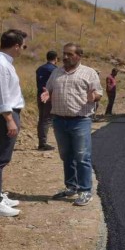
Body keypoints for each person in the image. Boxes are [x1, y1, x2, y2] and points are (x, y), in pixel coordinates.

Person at [40, 43, 103, 206]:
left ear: (79, 56)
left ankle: (85, 190)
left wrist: (94, 97)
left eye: (69, 54)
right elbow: (49, 89)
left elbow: (99, 93)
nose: (65, 57)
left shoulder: (89, 73)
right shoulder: (56, 72)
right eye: (64, 54)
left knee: (82, 156)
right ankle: (71, 187)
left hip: (80, 120)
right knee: (66, 156)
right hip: (59, 121)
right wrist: (47, 94)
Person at [0, 29, 27, 217]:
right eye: (23, 46)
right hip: (4, 115)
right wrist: (9, 119)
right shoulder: (0, 64)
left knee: (2, 157)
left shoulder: (4, 62)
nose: (23, 50)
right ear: (16, 46)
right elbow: (1, 95)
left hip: (5, 113)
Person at [35, 51, 58, 151]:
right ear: (56, 58)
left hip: (40, 94)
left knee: (42, 118)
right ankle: (43, 144)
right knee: (47, 119)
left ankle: (41, 141)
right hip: (48, 96)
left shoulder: (39, 68)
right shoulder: (54, 70)